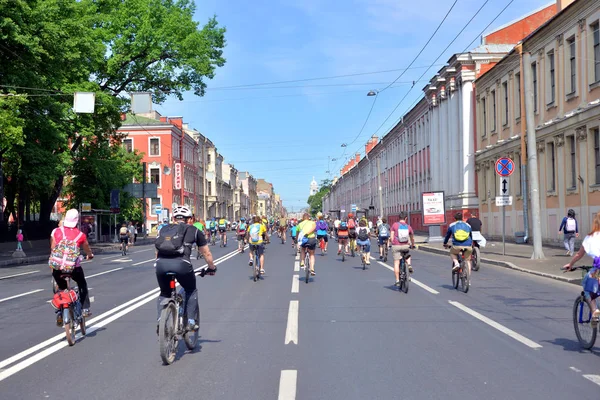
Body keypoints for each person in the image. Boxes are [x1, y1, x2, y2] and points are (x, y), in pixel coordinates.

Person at [155, 205, 216, 332]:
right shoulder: (194, 230)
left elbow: (157, 251)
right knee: (190, 289)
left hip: (161, 264)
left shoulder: (164, 229)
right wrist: (211, 267)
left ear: (173, 218)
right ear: (189, 219)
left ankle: (160, 321)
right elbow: (206, 253)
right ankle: (191, 322)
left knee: (164, 293)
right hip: (181, 265)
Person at [49, 209, 94, 318]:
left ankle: (60, 311)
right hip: (73, 268)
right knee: (82, 284)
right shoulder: (80, 235)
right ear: (76, 221)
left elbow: (52, 247)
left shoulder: (56, 231)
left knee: (61, 287)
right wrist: (90, 255)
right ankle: (85, 309)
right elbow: (87, 248)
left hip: (58, 268)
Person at [563, 212, 600, 326]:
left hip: (598, 270)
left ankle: (594, 310)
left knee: (586, 284)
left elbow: (579, 254)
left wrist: (570, 264)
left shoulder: (590, 237)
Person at [390, 212, 415, 286]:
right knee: (407, 255)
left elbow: (391, 237)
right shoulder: (408, 226)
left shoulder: (394, 225)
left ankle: (397, 280)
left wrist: (393, 243)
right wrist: (412, 245)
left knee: (396, 263)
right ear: (406, 218)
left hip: (396, 246)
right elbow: (412, 238)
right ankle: (409, 265)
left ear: (399, 218)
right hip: (405, 246)